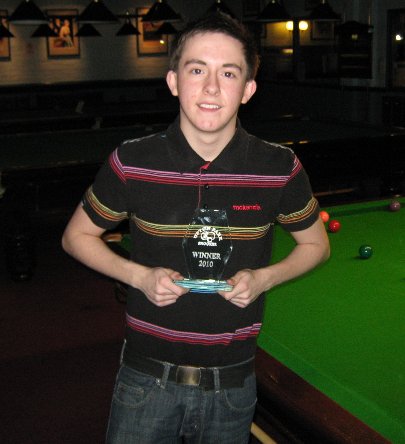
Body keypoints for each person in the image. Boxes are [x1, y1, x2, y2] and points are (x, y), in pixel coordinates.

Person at [62, 12, 330, 444]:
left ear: (248, 89)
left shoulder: (279, 166)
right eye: (197, 69)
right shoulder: (131, 160)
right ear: (173, 81)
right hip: (145, 379)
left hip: (234, 384)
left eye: (229, 73)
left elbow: (316, 244)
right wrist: (138, 276)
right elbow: (75, 237)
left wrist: (264, 278)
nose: (211, 87)